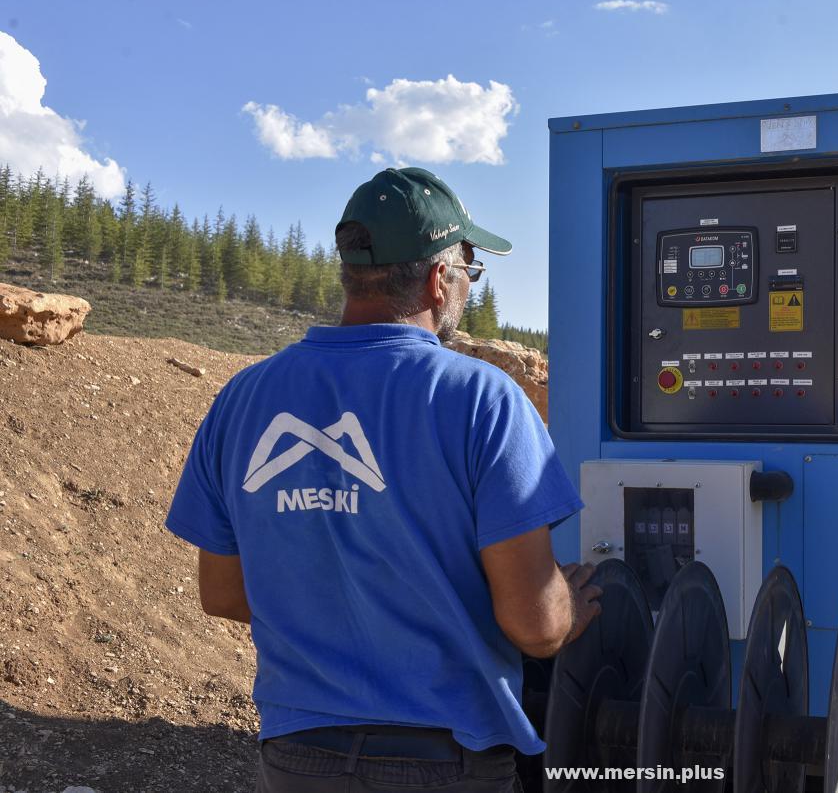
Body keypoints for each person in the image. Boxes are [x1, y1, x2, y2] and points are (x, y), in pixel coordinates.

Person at [165, 167, 601, 792]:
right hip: (445, 763)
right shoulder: (482, 399)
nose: (467, 289)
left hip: (296, 756)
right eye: (469, 272)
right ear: (436, 279)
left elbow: (225, 596)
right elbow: (535, 627)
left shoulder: (243, 398)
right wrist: (568, 608)